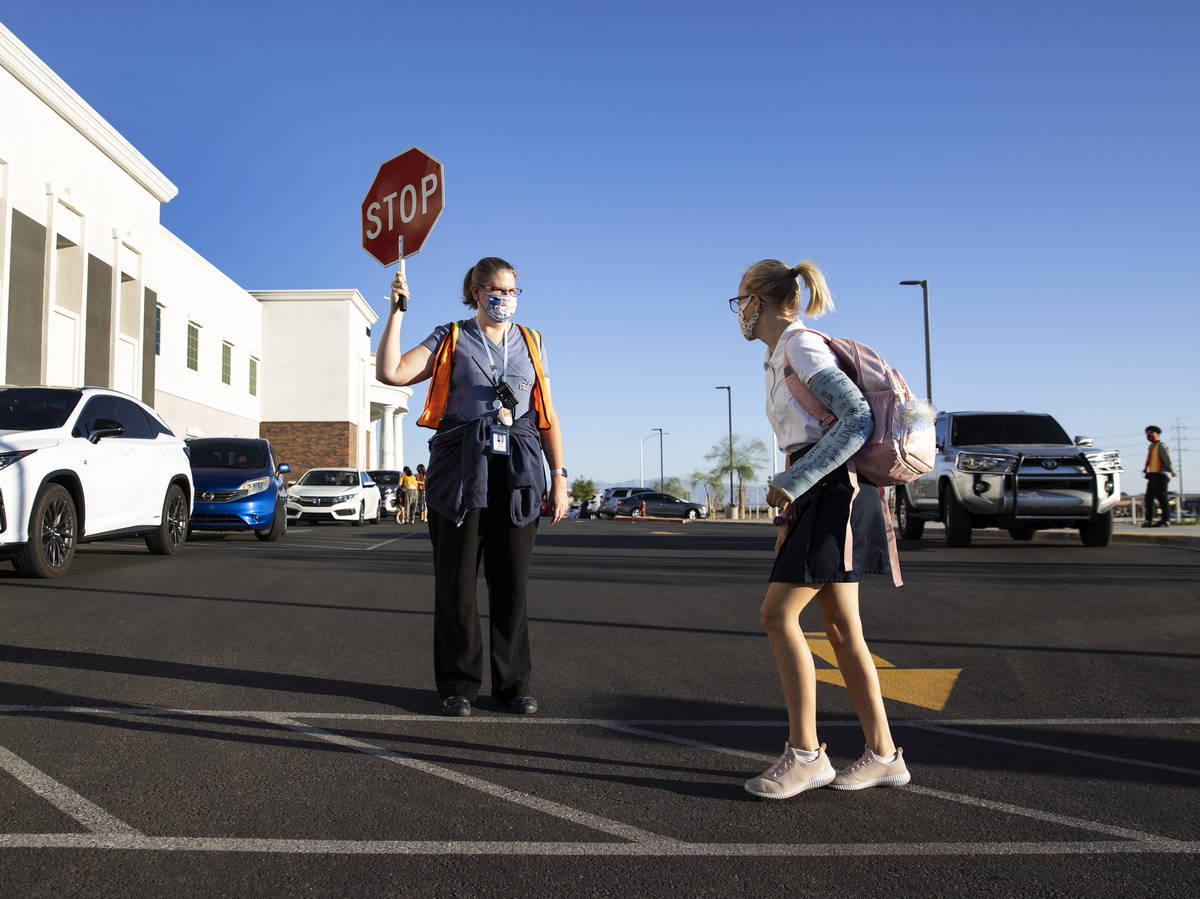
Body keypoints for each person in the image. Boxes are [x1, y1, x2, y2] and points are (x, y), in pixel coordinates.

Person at [733, 258, 910, 799]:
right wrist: (792, 505)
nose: (738, 311)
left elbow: (856, 419)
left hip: (835, 492)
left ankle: (806, 755)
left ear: (757, 302)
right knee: (841, 629)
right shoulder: (778, 355)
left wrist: (795, 479)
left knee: (777, 614)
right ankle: (884, 756)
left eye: (740, 299)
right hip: (821, 492)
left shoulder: (801, 346)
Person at [375, 256, 569, 717]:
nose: (506, 299)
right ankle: (458, 684)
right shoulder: (451, 336)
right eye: (497, 290)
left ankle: (512, 684)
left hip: (518, 472)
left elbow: (546, 414)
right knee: (458, 581)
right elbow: (392, 373)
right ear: (476, 291)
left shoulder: (532, 341)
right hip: (461, 470)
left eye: (513, 291)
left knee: (512, 583)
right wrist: (397, 311)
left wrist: (558, 477)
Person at [1142, 426, 1174, 527]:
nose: (1149, 436)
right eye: (1147, 434)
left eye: (1151, 433)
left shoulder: (1161, 446)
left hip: (1161, 475)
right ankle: (1148, 520)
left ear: (1157, 434)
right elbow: (1150, 460)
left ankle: (1165, 520)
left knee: (1162, 498)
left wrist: (1170, 471)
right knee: (1149, 498)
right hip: (1153, 475)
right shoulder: (1151, 446)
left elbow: (1167, 460)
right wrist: (1146, 469)